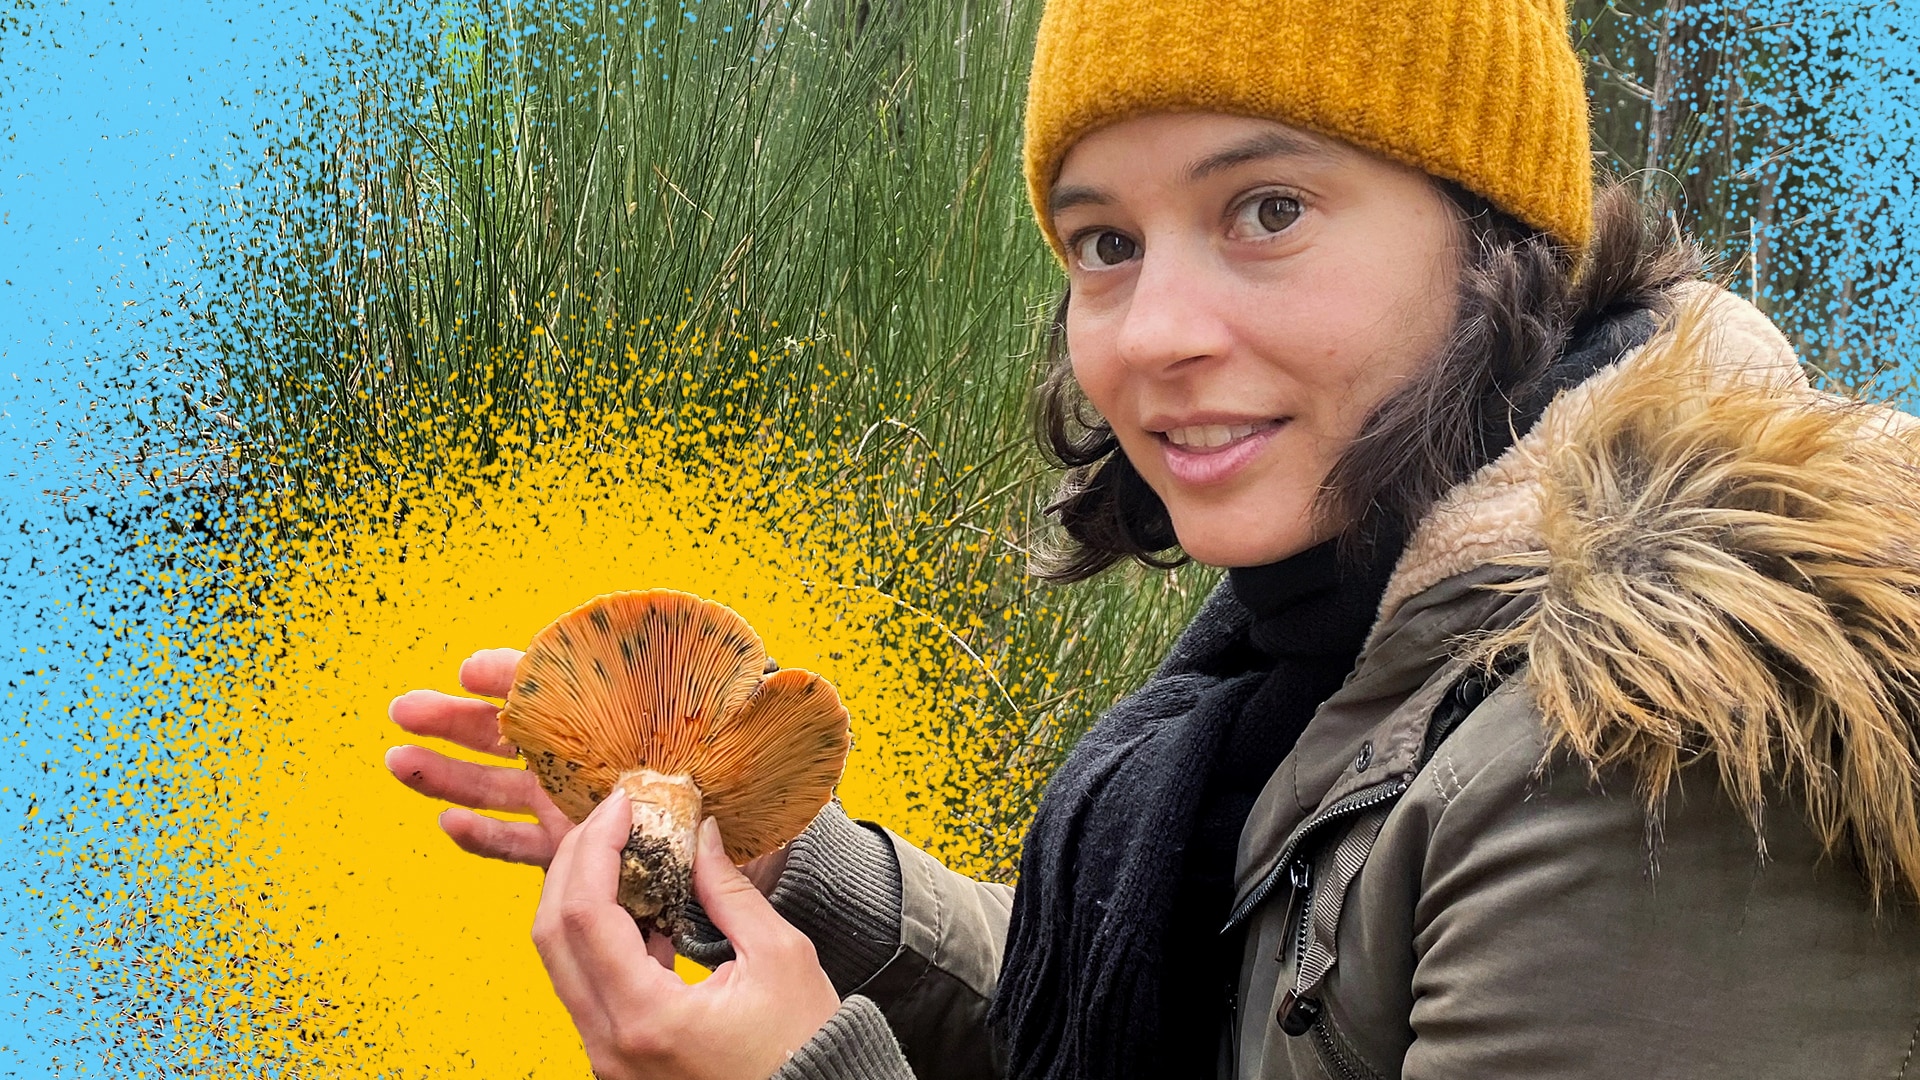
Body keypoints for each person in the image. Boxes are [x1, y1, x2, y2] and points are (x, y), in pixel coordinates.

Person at [386, 0, 1920, 1076]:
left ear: (1493, 232)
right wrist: (798, 882)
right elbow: (1218, 1011)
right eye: (1105, 243)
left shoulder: (1654, 749)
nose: (1154, 333)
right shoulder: (1344, 638)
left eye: (1268, 209)